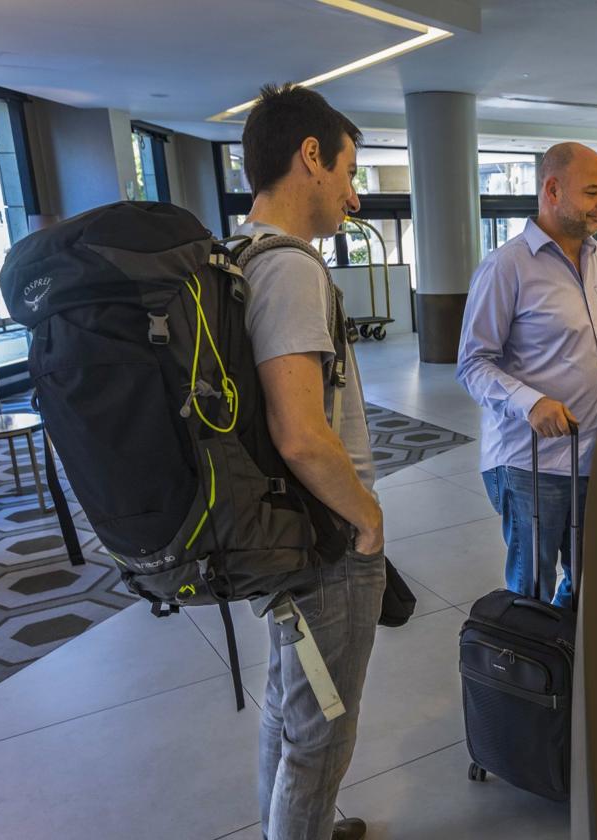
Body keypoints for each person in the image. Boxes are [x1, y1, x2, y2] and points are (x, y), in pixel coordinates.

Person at [235, 84, 385, 840]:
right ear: (311, 158)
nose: (352, 195)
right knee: (322, 731)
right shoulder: (291, 268)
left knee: (290, 704)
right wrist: (367, 519)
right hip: (322, 538)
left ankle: (302, 826)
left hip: (277, 529)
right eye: (348, 171)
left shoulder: (237, 252)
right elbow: (300, 433)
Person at [457, 142, 597, 606]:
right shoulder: (506, 267)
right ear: (552, 190)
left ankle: (569, 665)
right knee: (531, 590)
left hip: (594, 455)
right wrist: (531, 403)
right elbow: (472, 364)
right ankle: (531, 672)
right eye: (592, 192)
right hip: (531, 465)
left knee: (587, 581)